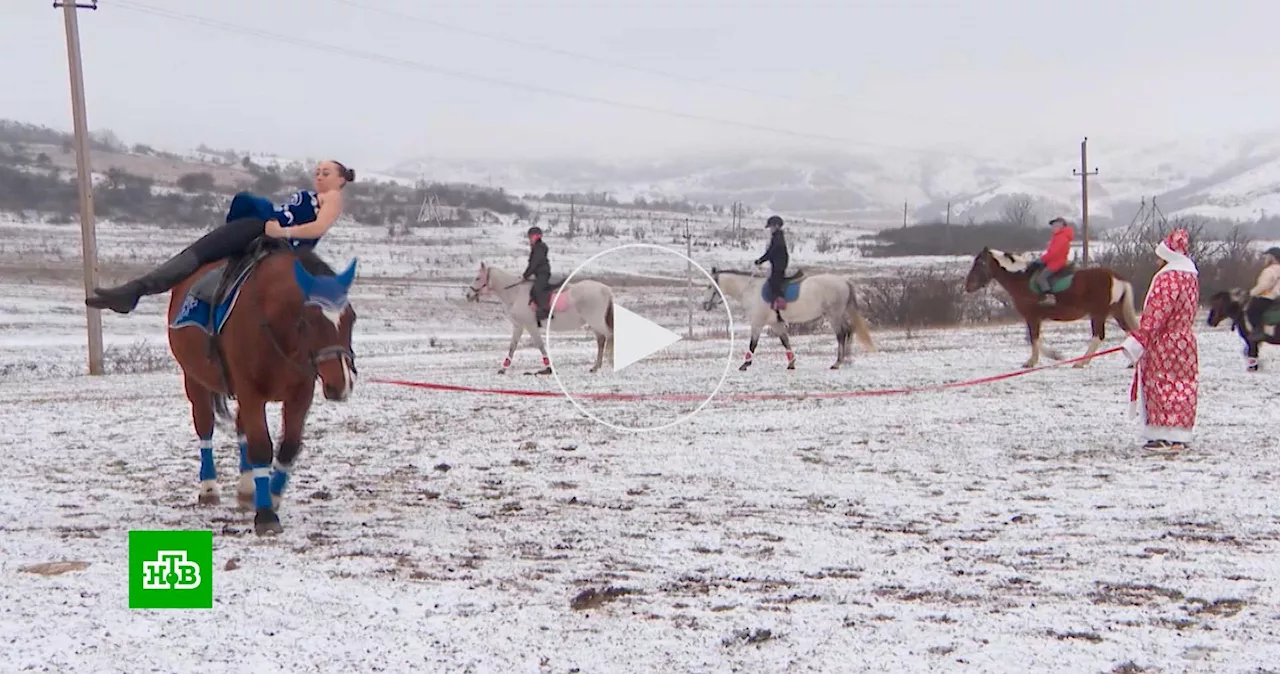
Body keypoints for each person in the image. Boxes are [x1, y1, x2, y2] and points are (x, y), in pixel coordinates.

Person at [85, 160, 355, 314]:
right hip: (267, 229)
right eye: (317, 172)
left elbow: (317, 228)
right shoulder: (315, 195)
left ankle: (137, 290)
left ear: (341, 179)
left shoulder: (332, 198)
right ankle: (138, 290)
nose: (319, 176)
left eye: (326, 172)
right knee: (209, 254)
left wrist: (280, 231)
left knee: (205, 249)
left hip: (276, 237)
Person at [1120, 228, 1199, 451]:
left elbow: (1157, 312)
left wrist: (1140, 338)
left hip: (1164, 342)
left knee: (1161, 384)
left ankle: (1162, 433)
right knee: (1183, 385)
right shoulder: (1190, 276)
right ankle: (1179, 434)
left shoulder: (1169, 278)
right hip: (1185, 340)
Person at [1028, 216, 1074, 306]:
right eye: (1053, 226)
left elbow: (1053, 253)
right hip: (1055, 261)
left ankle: (1049, 297)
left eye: (1055, 226)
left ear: (1061, 227)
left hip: (1056, 263)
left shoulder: (1060, 238)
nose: (1053, 228)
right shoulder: (1059, 236)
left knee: (1041, 277)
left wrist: (1040, 260)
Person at [1244, 246, 1280, 340]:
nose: (1265, 259)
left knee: (1251, 311)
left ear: (1272, 258)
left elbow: (1263, 286)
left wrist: (1251, 293)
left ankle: (1258, 331)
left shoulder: (1269, 270)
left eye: (1267, 257)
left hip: (1269, 297)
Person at [755, 215, 789, 309]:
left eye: (772, 227)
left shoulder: (777, 238)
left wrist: (761, 260)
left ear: (777, 226)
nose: (770, 229)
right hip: (777, 264)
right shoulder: (777, 236)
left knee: (774, 283)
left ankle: (779, 304)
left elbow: (771, 252)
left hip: (779, 265)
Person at [522, 226, 551, 325]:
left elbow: (534, 263)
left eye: (532, 237)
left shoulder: (539, 248)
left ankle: (544, 311)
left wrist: (525, 276)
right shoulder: (536, 248)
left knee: (536, 290)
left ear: (537, 237)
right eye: (529, 237)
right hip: (539, 273)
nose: (530, 239)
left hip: (543, 273)